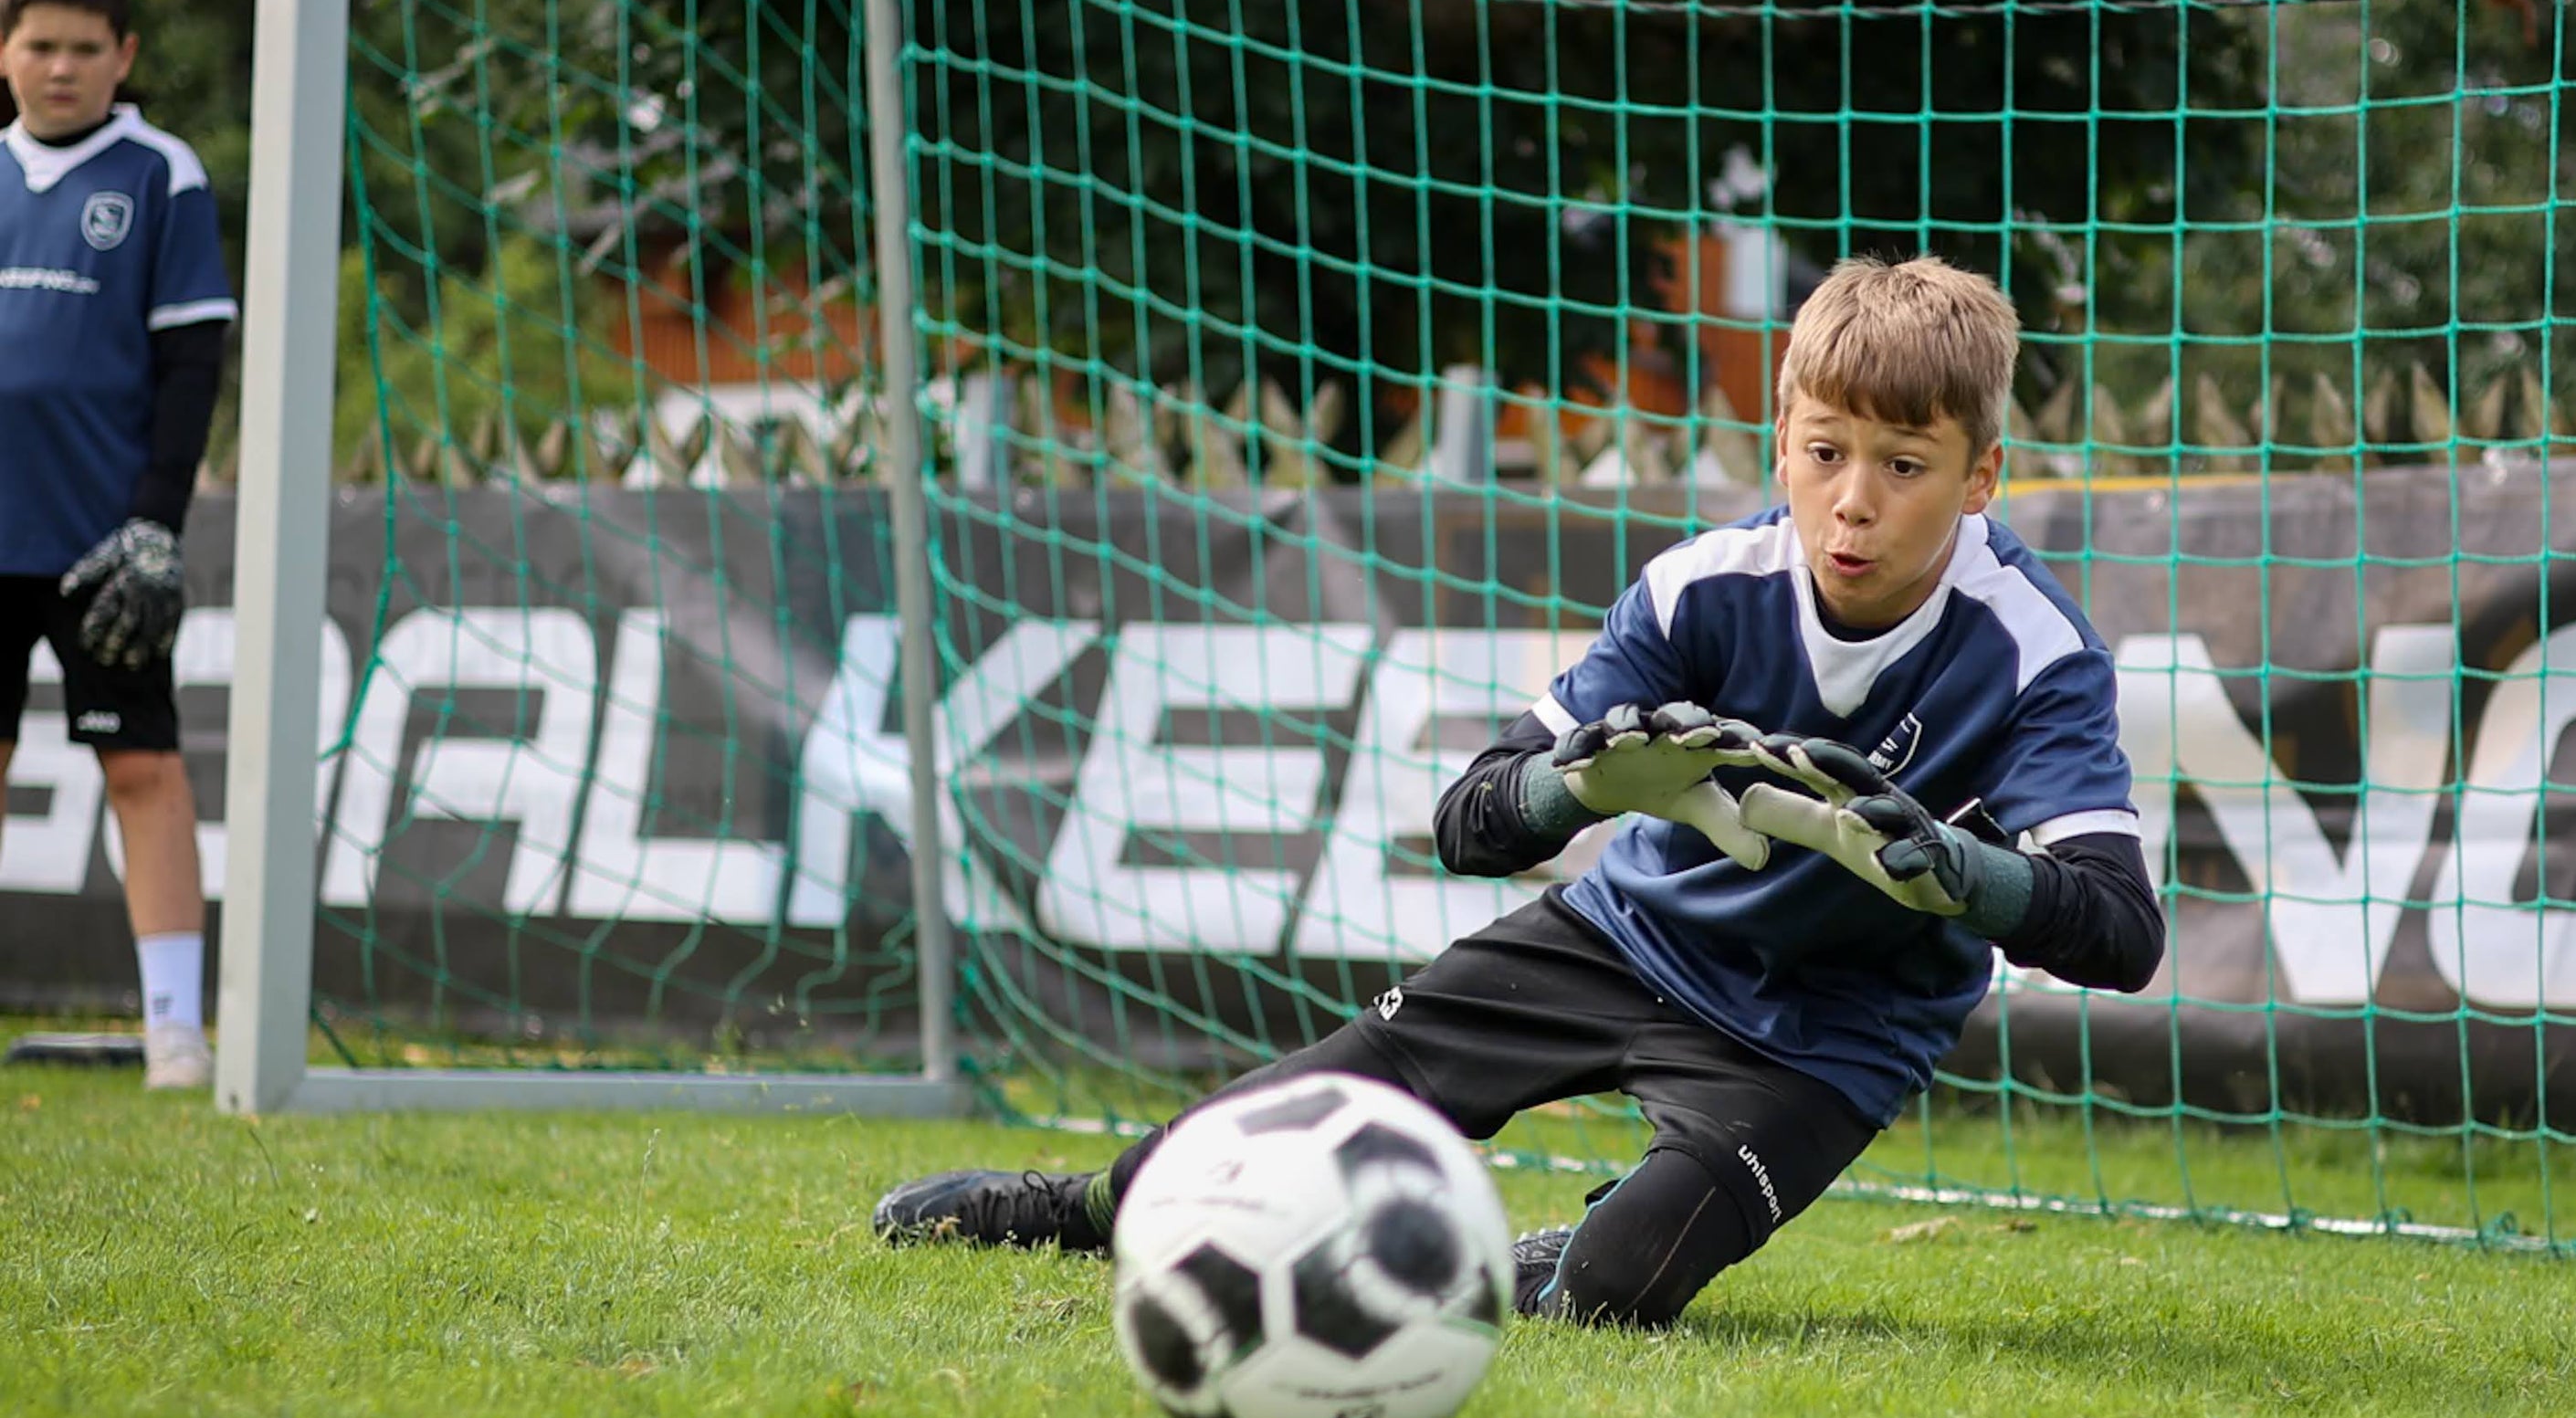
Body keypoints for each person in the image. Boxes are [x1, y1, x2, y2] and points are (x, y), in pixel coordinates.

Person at [875, 256, 2166, 1326]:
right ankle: (1082, 1206)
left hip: (1830, 1033)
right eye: (1824, 449)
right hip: (1626, 938)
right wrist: (1583, 783)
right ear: (1781, 438)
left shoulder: (2036, 650)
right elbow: (1469, 817)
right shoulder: (1698, 588)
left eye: (1903, 465)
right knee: (1292, 1119)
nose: (1852, 499)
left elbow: (2121, 927)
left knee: (1608, 1298)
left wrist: (1951, 867)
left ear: (1980, 477)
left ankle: (1575, 1245)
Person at [0, 0, 237, 1093]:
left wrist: (156, 523)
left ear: (123, 56)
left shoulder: (160, 174)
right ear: (6, 52)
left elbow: (192, 364)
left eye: (85, 48)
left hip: (105, 543)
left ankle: (175, 1033)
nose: (60, 67)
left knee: (142, 769)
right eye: (40, 44)